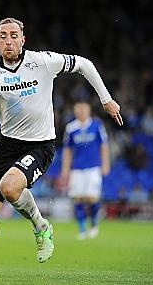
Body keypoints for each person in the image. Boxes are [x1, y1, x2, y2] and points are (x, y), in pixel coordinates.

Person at [0, 17, 123, 277]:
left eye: (14, 35)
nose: (9, 40)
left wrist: (106, 100)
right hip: (7, 145)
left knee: (10, 186)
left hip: (40, 144)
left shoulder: (41, 61)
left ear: (23, 39)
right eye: (3, 35)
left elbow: (84, 64)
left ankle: (41, 226)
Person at [61, 101, 110, 240]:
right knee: (77, 198)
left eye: (84, 110)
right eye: (79, 110)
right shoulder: (71, 128)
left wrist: (106, 164)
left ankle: (94, 225)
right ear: (75, 112)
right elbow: (67, 150)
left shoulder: (96, 125)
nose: (81, 112)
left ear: (88, 111)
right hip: (77, 168)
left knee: (91, 197)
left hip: (93, 166)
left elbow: (104, 145)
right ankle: (82, 229)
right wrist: (65, 169)